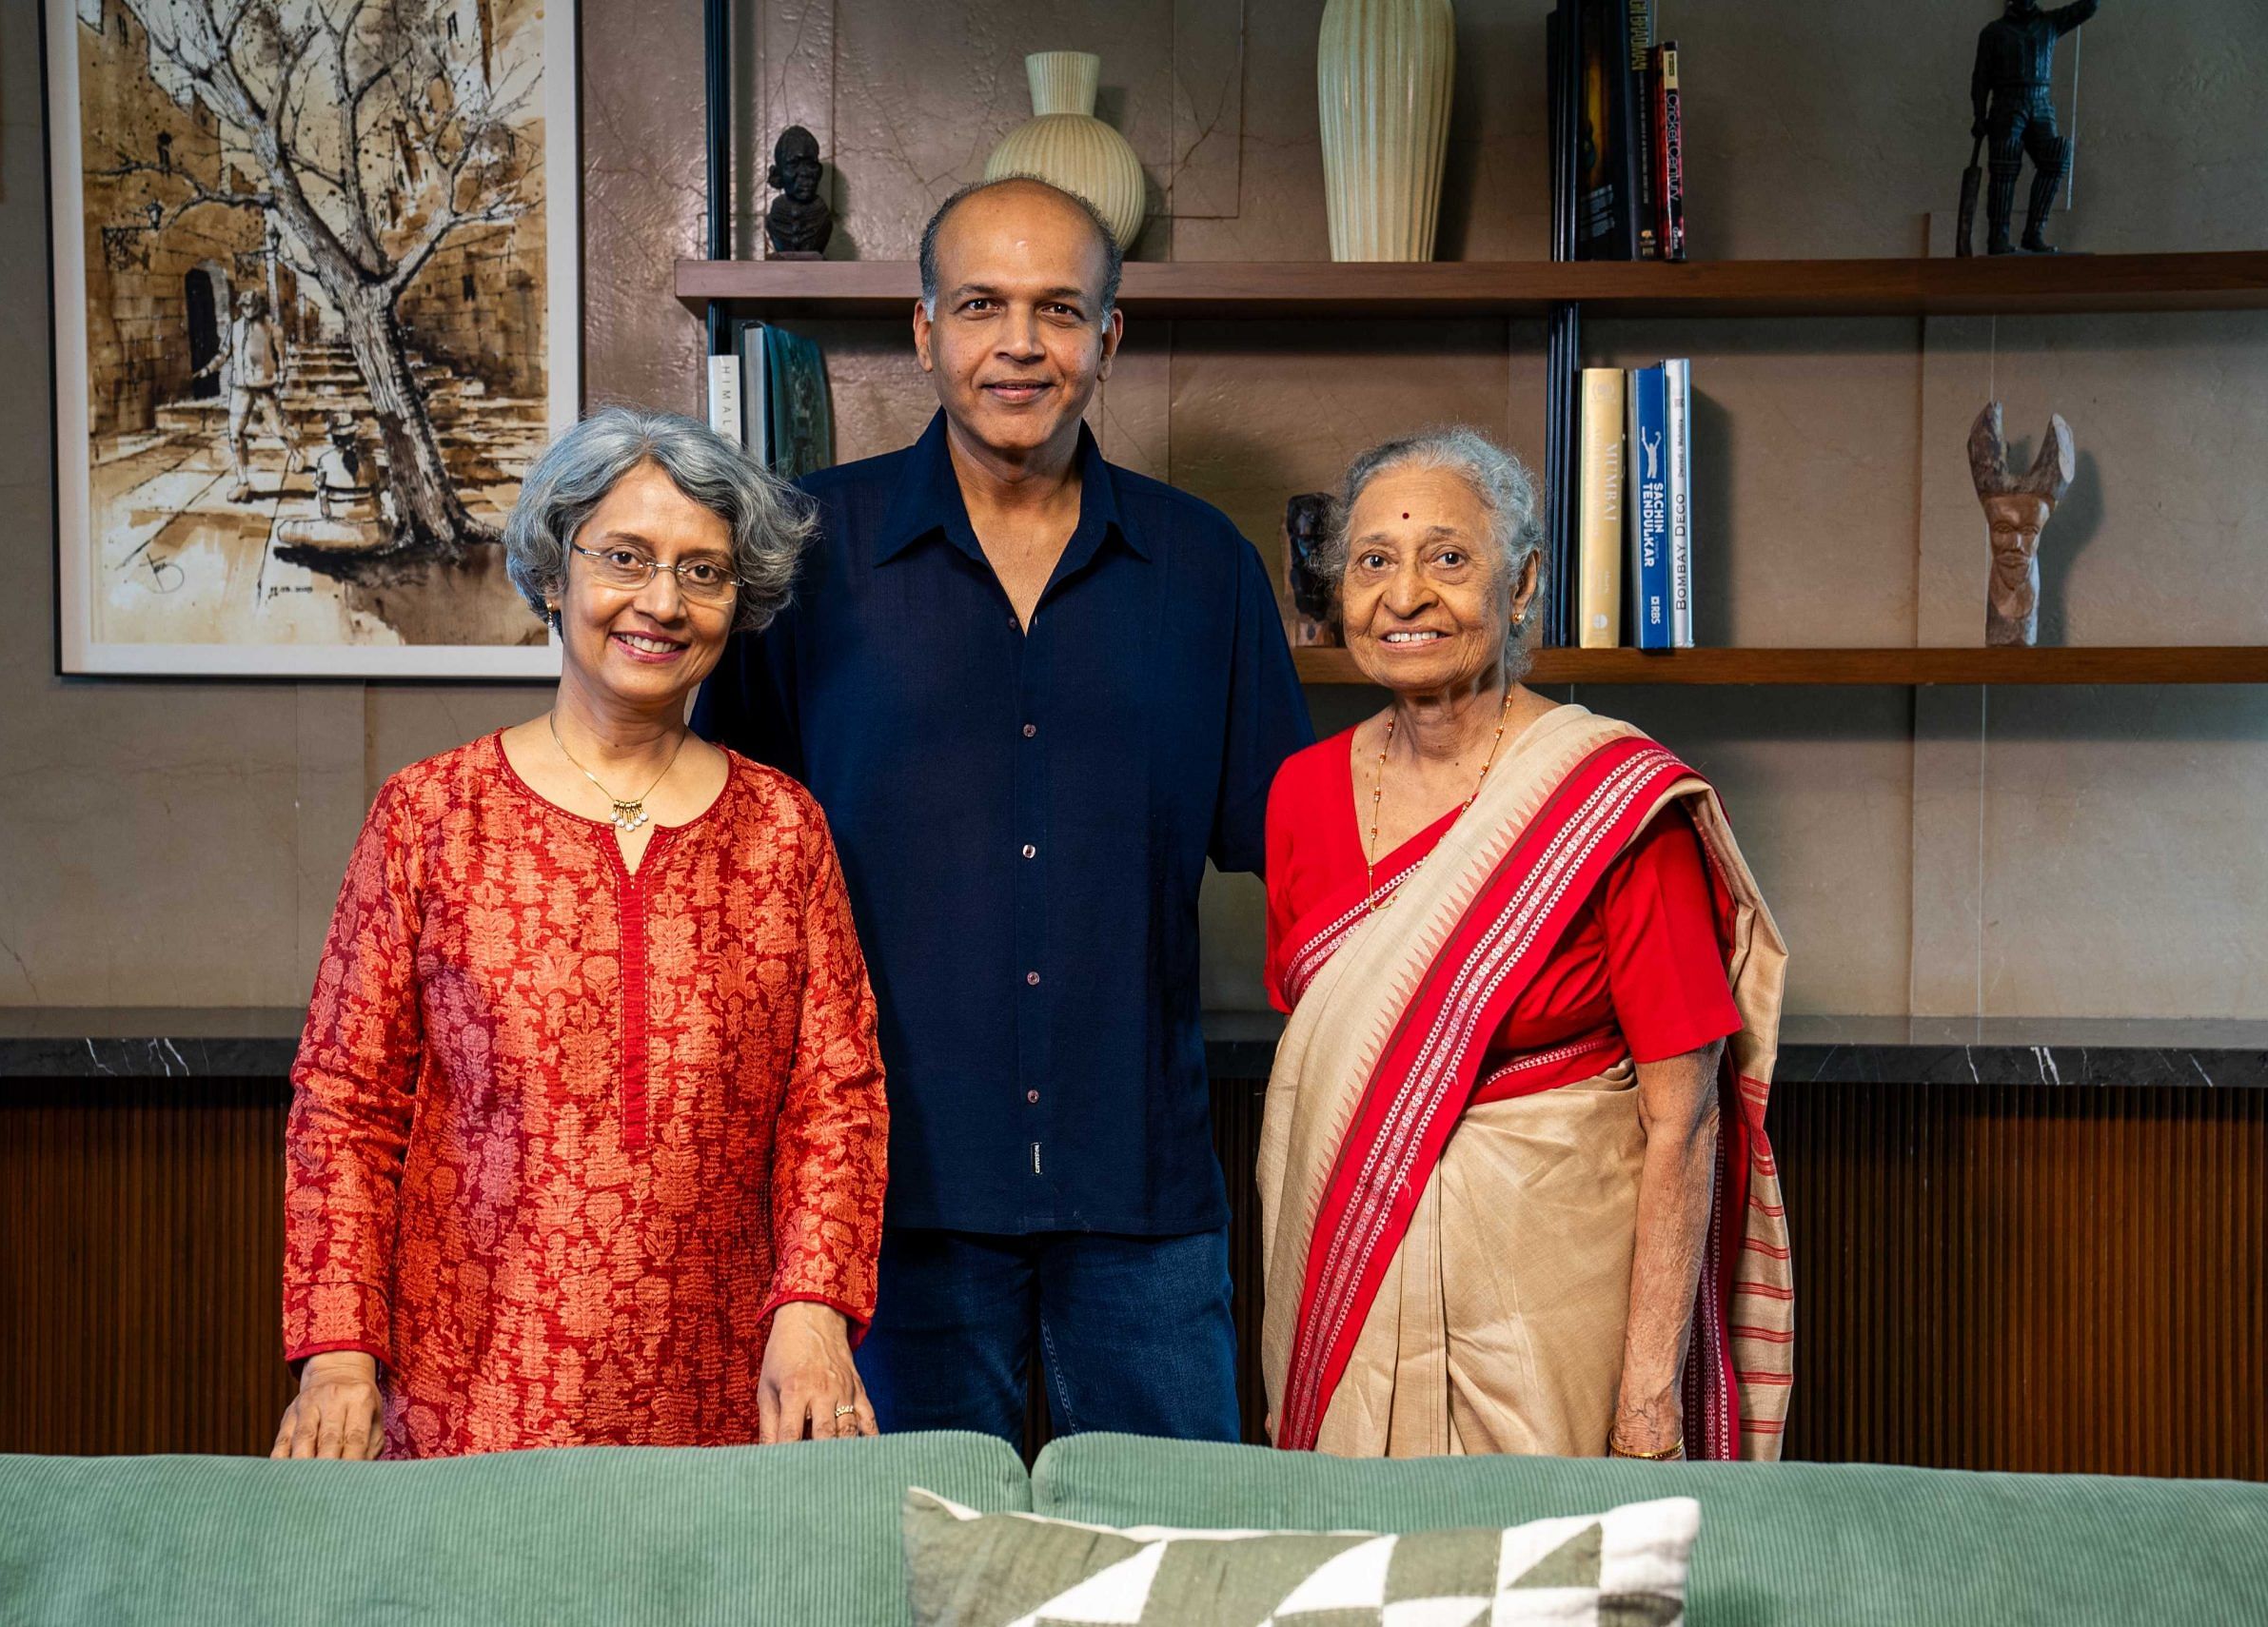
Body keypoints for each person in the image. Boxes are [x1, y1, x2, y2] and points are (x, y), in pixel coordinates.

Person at [696, 177, 1312, 1446]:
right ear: (924, 331)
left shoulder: (1207, 572)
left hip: (1139, 1194)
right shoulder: (804, 555)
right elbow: (727, 863)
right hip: (884, 1207)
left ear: (1109, 339)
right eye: (981, 305)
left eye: (1057, 309)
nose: (1018, 343)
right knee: (891, 1569)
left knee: (1173, 1568)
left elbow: (1297, 846)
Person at [275, 408, 887, 1459]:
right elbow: (346, 1106)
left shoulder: (783, 828)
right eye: (626, 558)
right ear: (555, 575)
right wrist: (337, 1355)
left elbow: (835, 1099)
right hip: (468, 1397)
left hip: (728, 1397)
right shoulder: (431, 816)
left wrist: (815, 1311)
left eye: (703, 572)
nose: (662, 602)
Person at [1255, 427, 1792, 1462]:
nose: (1404, 596)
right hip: (1358, 1277)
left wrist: (1645, 1401)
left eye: (1447, 558)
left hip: (1558, 1300)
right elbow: (1345, 1068)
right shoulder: (1301, 795)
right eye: (1373, 561)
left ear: (1521, 583)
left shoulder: (1611, 802)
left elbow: (1680, 1126)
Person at [1970, 0, 2099, 255]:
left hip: (2040, 102)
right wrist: (1979, 114)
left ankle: (2034, 233)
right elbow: (1981, 76)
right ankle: (1998, 237)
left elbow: (2089, 6)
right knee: (2004, 166)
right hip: (2008, 103)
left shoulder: (2049, 24)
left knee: (2056, 156)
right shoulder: (1994, 32)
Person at [194, 288, 299, 493]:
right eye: (244, 306)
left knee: (278, 430)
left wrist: (280, 380)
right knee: (234, 434)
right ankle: (243, 482)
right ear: (240, 307)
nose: (248, 310)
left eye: (251, 306)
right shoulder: (235, 328)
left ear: (258, 306)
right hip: (240, 387)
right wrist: (208, 369)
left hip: (264, 387)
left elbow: (282, 358)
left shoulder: (271, 327)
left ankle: (297, 454)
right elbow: (224, 353)